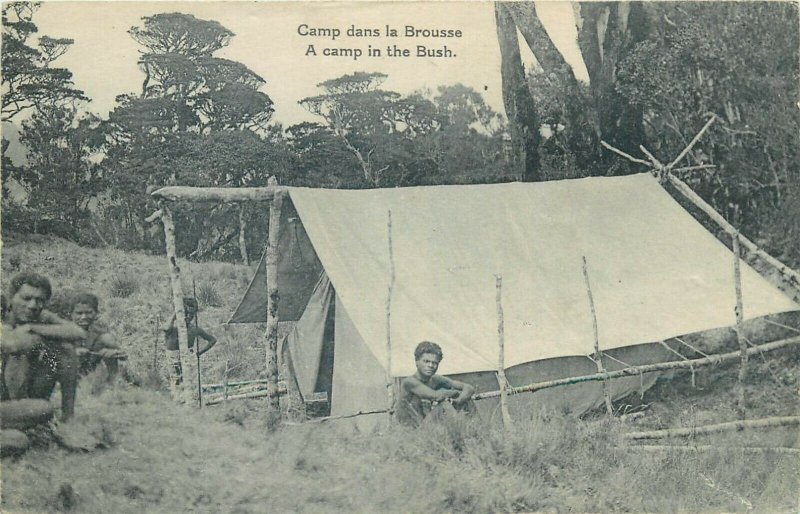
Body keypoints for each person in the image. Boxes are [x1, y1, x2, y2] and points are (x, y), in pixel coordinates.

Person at [1, 273, 85, 455]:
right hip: (6, 402)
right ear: (11, 298)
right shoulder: (3, 317)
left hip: (16, 401)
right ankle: (21, 429)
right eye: (26, 298)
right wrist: (39, 337)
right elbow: (13, 344)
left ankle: (68, 419)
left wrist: (34, 328)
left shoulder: (39, 317)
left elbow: (78, 332)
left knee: (65, 349)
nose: (33, 306)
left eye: (40, 300)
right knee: (19, 440)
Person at [395, 341, 476, 427]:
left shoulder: (436, 379)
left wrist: (459, 400)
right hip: (411, 430)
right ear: (417, 361)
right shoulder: (409, 382)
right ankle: (460, 433)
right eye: (426, 361)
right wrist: (455, 393)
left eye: (434, 363)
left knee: (466, 399)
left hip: (427, 425)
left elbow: (469, 387)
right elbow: (436, 395)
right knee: (444, 405)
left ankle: (478, 430)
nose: (430, 365)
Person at [70, 293, 127, 381]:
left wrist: (111, 352)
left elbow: (123, 355)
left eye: (89, 313)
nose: (83, 317)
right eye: (79, 313)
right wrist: (72, 352)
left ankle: (113, 383)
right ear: (71, 314)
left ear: (96, 313)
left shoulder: (100, 332)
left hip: (92, 373)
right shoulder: (63, 331)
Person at [163, 297, 216, 385]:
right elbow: (166, 328)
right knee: (176, 384)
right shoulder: (173, 327)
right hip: (173, 359)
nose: (188, 317)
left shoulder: (194, 329)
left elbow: (212, 340)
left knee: (189, 383)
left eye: (191, 315)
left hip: (188, 359)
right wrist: (175, 314)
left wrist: (199, 353)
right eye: (186, 313)